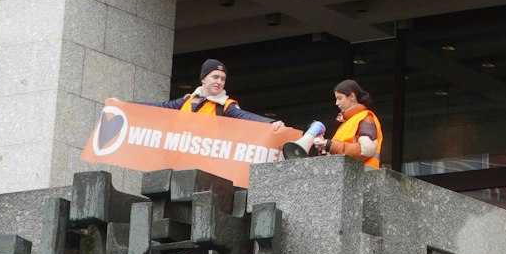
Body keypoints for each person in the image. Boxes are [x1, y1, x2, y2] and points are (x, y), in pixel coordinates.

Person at [148, 59, 286, 131]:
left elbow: (246, 117)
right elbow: (157, 108)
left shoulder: (226, 106)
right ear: (203, 79)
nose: (219, 82)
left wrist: (271, 123)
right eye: (215, 77)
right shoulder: (186, 101)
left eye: (223, 79)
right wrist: (126, 107)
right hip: (177, 164)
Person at [313, 79, 383, 169]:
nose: (337, 103)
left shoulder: (365, 117)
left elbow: (366, 151)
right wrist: (324, 150)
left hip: (362, 177)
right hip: (348, 177)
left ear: (352, 96)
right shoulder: (347, 123)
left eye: (339, 98)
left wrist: (331, 146)